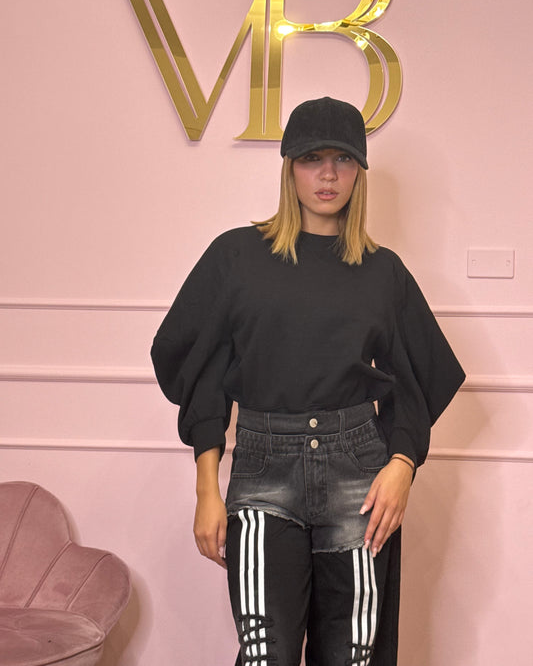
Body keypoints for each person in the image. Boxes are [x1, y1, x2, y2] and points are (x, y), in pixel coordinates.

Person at [151, 97, 465, 666]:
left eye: (342, 159)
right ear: (288, 167)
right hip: (262, 475)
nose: (327, 175)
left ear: (359, 172)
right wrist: (206, 489)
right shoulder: (236, 256)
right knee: (264, 654)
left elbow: (417, 376)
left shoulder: (383, 271)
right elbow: (203, 373)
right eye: (311, 159)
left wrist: (402, 465)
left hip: (359, 478)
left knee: (352, 656)